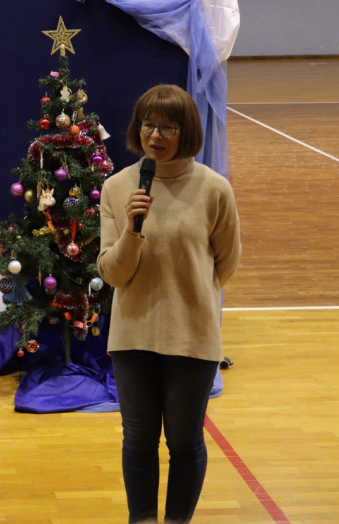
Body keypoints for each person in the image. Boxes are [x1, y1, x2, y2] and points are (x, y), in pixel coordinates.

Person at [98, 84, 242, 523]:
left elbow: (226, 264)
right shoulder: (117, 187)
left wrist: (189, 295)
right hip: (133, 336)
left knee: (184, 441)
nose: (155, 135)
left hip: (191, 336)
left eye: (167, 127)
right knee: (138, 440)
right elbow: (113, 273)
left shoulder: (214, 189)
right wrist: (133, 231)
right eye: (148, 125)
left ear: (187, 131)